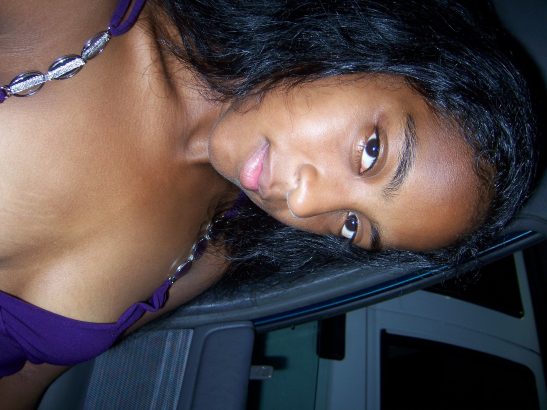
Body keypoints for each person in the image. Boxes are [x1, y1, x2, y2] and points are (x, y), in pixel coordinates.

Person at [0, 0, 536, 406]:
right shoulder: (84, 23)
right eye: (371, 152)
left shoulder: (207, 253)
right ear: (371, 43)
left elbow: (26, 376)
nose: (303, 203)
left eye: (352, 225)